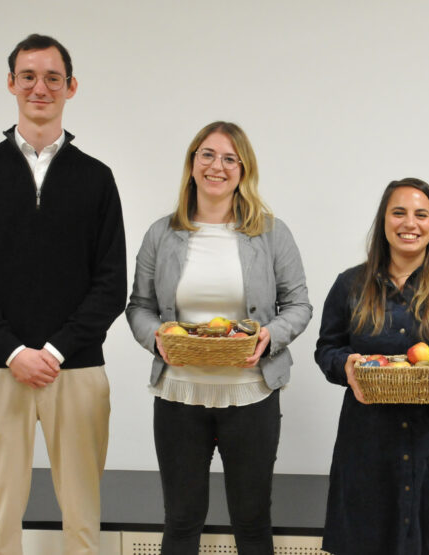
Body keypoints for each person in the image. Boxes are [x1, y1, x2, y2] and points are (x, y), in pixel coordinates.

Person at [0, 34, 127, 555]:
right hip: (0, 366)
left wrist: (53, 351)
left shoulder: (97, 178)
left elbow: (110, 283)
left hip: (77, 369)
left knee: (82, 518)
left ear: (71, 87)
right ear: (11, 83)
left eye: (52, 77)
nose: (39, 87)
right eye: (28, 76)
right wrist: (12, 350)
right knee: (0, 518)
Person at [126, 121, 312, 554]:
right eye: (207, 154)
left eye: (231, 158)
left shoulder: (270, 232)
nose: (217, 166)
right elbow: (139, 306)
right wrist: (158, 339)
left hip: (252, 395)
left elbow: (299, 305)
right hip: (179, 395)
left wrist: (271, 336)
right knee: (181, 521)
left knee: (251, 522)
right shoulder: (161, 233)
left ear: (243, 170)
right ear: (192, 164)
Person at [314, 178, 429, 555]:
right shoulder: (350, 284)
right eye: (398, 212)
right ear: (384, 221)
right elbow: (328, 348)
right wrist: (344, 365)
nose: (409, 223)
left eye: (420, 214)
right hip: (368, 445)